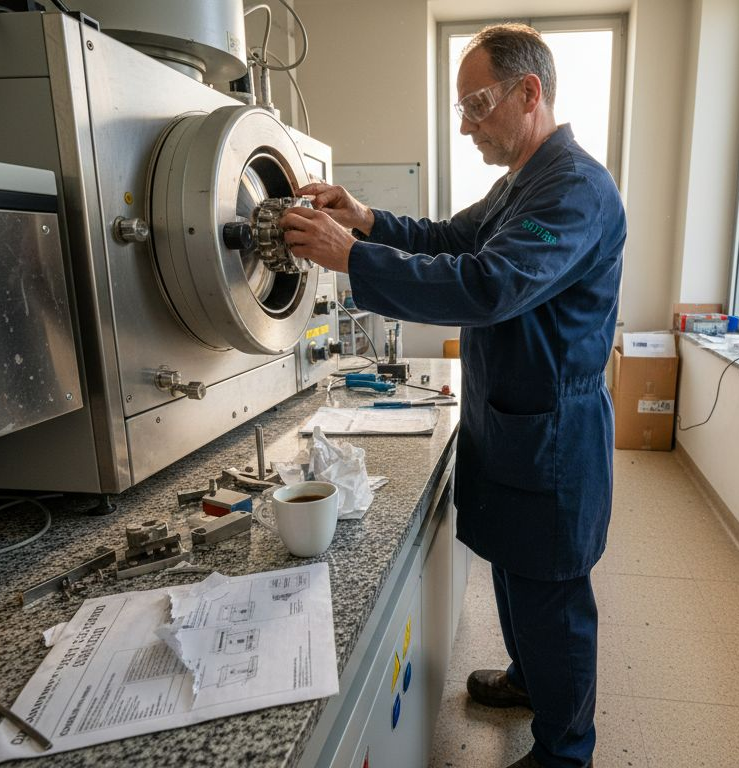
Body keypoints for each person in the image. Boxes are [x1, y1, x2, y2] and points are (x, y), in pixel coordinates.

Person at [280, 23, 625, 768]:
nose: (466, 124)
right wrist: (364, 218)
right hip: (511, 420)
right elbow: (448, 239)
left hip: (554, 433)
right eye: (461, 108)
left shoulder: (577, 190)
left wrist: (353, 259)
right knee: (514, 570)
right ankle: (530, 680)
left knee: (552, 594)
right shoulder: (519, 184)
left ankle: (567, 750)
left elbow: (487, 285)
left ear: (529, 93)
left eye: (477, 105)